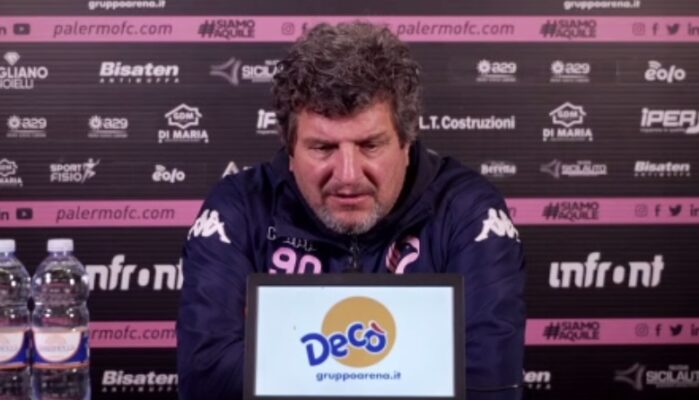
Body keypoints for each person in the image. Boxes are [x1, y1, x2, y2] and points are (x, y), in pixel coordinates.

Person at [177, 21, 525, 400]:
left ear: (406, 142)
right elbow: (206, 381)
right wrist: (423, 366)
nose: (347, 175)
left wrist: (270, 354)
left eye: (370, 145)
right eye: (323, 148)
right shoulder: (239, 208)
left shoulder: (467, 210)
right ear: (290, 148)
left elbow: (488, 386)